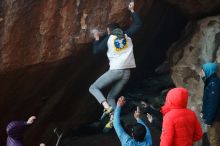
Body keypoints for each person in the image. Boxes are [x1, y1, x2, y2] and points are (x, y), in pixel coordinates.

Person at [89, 1, 142, 132]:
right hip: (127, 73)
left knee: (93, 87)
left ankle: (107, 108)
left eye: (107, 31)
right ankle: (113, 117)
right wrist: (132, 11)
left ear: (110, 31)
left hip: (116, 71)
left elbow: (96, 51)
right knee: (111, 97)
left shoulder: (109, 39)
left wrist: (96, 39)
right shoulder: (127, 35)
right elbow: (138, 24)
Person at [200, 63, 220, 146]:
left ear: (209, 71)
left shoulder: (214, 84)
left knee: (214, 140)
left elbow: (213, 103)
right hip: (214, 117)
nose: (201, 72)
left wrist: (208, 119)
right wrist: (203, 112)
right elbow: (208, 101)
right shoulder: (211, 82)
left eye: (203, 70)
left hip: (215, 119)